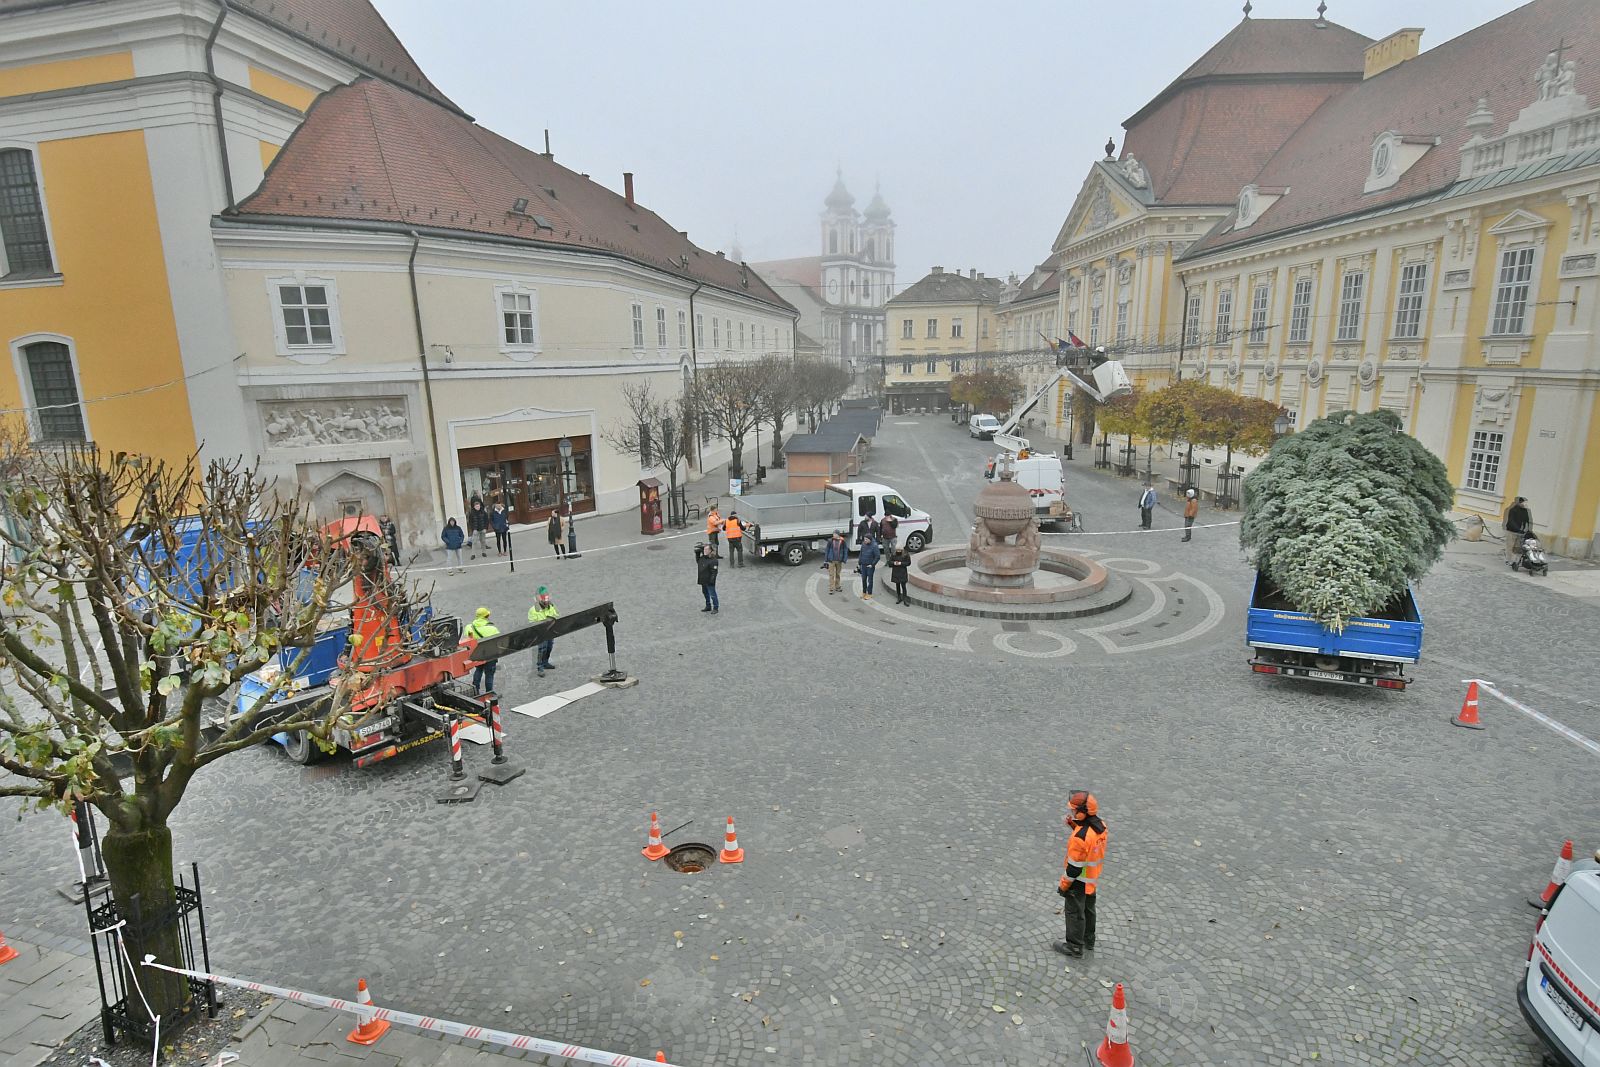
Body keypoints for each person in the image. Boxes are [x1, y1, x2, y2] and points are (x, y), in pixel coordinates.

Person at [1055, 790, 1107, 959]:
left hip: (1078, 881)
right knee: (1088, 909)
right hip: (1091, 878)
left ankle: (1074, 947)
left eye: (1074, 810)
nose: (1072, 812)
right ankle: (1088, 940)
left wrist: (1063, 886)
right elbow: (1089, 841)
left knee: (1074, 912)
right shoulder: (1101, 826)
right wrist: (1074, 825)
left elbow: (1073, 868)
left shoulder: (1079, 837)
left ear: (1082, 812)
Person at [463, 606, 500, 694]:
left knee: (478, 670)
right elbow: (498, 641)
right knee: (489, 674)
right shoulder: (492, 629)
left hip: (477, 653)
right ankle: (489, 692)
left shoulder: (469, 627)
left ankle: (475, 690)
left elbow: (467, 638)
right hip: (490, 654)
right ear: (487, 616)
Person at [527, 586, 559, 676]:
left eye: (547, 600)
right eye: (544, 600)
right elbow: (532, 623)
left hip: (550, 632)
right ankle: (540, 667)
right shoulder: (533, 610)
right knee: (542, 649)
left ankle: (545, 663)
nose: (546, 602)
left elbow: (557, 614)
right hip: (540, 634)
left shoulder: (551, 606)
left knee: (549, 647)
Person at [1504, 496, 1532, 566]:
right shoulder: (1513, 510)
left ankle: (1515, 560)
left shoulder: (1525, 511)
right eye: (1524, 503)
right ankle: (1508, 560)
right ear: (1520, 503)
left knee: (1517, 547)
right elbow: (1511, 521)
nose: (1525, 504)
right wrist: (1518, 529)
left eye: (1526, 503)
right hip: (1511, 531)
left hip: (1520, 532)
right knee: (1510, 546)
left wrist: (1528, 529)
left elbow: (1527, 521)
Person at [695, 542, 720, 614]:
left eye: (706, 549)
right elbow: (698, 561)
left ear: (710, 551)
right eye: (704, 549)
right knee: (705, 593)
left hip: (709, 581)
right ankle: (708, 606)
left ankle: (716, 607)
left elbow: (714, 572)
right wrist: (697, 554)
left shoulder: (713, 560)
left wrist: (712, 581)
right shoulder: (702, 558)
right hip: (703, 580)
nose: (705, 551)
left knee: (712, 594)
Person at [824, 530, 848, 595]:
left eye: (835, 534)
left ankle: (837, 587)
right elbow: (827, 550)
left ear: (838, 535)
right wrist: (826, 560)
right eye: (833, 534)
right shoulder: (830, 541)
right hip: (831, 560)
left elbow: (845, 550)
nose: (833, 535)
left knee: (838, 574)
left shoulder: (842, 541)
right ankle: (831, 588)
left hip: (839, 560)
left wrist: (844, 559)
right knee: (831, 574)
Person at [857, 535, 881, 600]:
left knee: (870, 580)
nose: (865, 541)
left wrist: (872, 564)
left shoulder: (874, 546)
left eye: (866, 539)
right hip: (863, 565)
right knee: (863, 579)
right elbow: (861, 554)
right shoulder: (863, 544)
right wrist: (859, 563)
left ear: (870, 539)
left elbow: (877, 556)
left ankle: (869, 593)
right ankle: (864, 592)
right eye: (864, 539)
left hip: (870, 566)